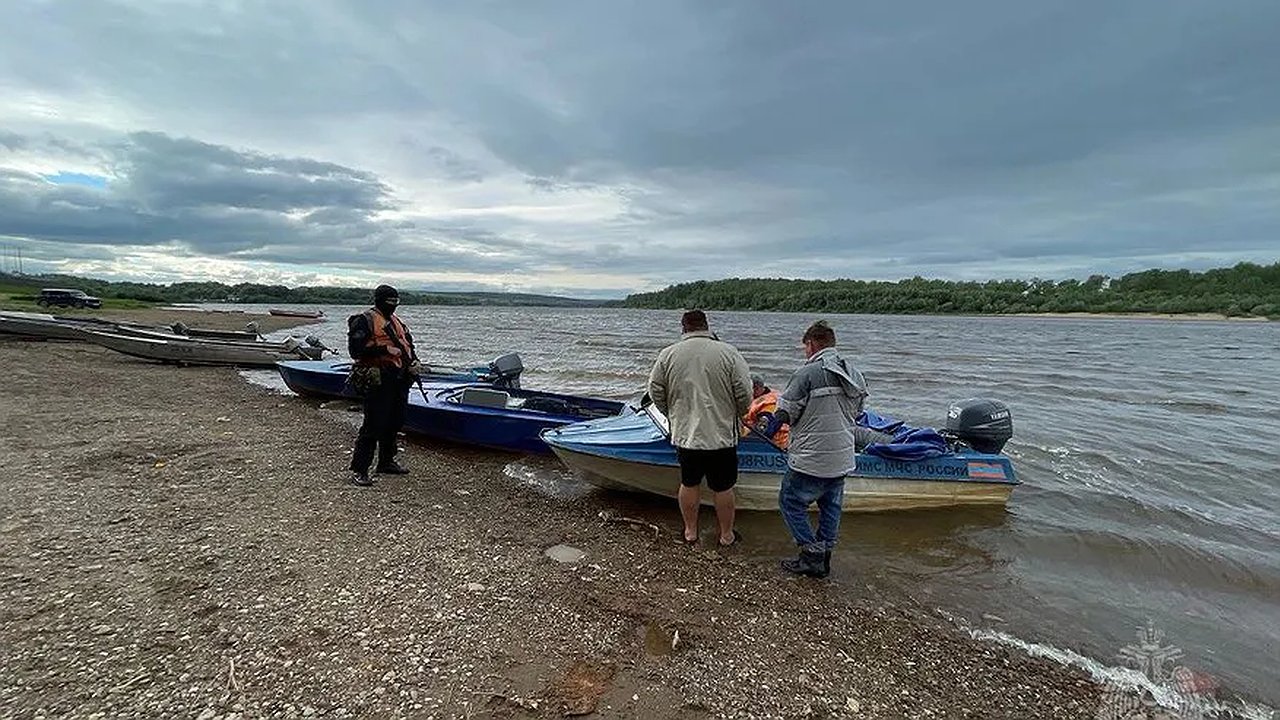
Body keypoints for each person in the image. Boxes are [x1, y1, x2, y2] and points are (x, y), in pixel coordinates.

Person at [766, 320, 867, 578]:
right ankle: (825, 557)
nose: (805, 351)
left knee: (790, 502)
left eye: (805, 347)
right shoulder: (854, 373)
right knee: (830, 508)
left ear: (811, 344)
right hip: (842, 457)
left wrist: (771, 424)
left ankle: (811, 555)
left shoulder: (807, 373)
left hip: (811, 457)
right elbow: (858, 412)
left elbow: (787, 412)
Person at [647, 310, 753, 547]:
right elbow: (744, 392)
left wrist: (672, 413)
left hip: (686, 434)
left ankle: (690, 532)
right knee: (723, 487)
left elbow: (655, 390)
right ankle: (726, 535)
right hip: (722, 434)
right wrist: (737, 413)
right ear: (706, 326)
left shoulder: (668, 354)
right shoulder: (728, 352)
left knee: (689, 482)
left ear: (683, 328)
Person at [346, 284, 422, 487]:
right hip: (377, 377)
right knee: (373, 424)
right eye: (390, 302)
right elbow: (355, 351)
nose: (393, 305)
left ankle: (386, 461)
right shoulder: (364, 320)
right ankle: (360, 469)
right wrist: (384, 350)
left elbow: (408, 345)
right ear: (379, 301)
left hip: (399, 377)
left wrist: (415, 362)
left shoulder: (397, 322)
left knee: (395, 421)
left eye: (396, 302)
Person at [742, 374, 790, 448]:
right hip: (764, 439)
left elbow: (764, 430)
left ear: (756, 388)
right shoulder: (758, 397)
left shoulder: (769, 404)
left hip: (775, 444)